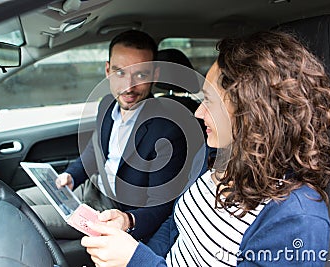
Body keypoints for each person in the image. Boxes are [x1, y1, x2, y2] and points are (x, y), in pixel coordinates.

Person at [80, 31, 330, 266]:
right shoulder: (216, 158)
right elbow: (176, 226)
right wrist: (131, 231)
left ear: (252, 112)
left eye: (210, 101)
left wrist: (135, 259)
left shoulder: (296, 219)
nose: (198, 113)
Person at [18, 29, 203, 241]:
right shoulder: (107, 104)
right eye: (120, 72)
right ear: (107, 70)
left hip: (113, 212)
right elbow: (95, 148)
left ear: (154, 75)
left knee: (24, 217)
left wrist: (127, 220)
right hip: (93, 187)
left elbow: (161, 206)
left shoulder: (168, 130)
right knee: (19, 198)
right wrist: (72, 176)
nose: (128, 86)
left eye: (140, 75)